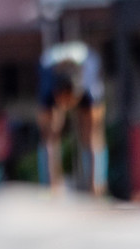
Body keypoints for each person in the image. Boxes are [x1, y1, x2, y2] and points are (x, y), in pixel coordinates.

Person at [37, 41, 107, 195]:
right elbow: (49, 134)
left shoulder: (90, 87)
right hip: (52, 63)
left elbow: (94, 132)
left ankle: (97, 184)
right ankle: (51, 184)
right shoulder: (47, 85)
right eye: (64, 101)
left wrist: (96, 185)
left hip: (85, 60)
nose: (68, 106)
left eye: (70, 101)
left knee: (92, 133)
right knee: (50, 133)